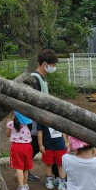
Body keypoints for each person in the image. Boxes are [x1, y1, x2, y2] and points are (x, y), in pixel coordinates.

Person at [28, 48, 59, 182]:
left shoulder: (42, 78)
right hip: (37, 118)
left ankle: (24, 169)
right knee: (42, 144)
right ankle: (58, 175)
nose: (54, 67)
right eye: (53, 65)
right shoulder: (34, 78)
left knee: (36, 145)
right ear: (45, 63)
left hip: (42, 117)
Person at [6, 111, 34, 190]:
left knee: (19, 167)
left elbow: (8, 134)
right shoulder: (28, 124)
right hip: (28, 147)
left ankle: (21, 187)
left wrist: (8, 123)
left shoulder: (10, 124)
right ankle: (25, 185)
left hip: (16, 147)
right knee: (25, 167)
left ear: (14, 115)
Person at [37, 121, 68, 190]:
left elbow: (63, 130)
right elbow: (39, 132)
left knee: (61, 164)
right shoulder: (41, 118)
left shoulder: (59, 117)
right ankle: (49, 181)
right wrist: (40, 145)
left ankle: (62, 183)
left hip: (60, 145)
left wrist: (66, 142)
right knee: (48, 164)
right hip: (47, 145)